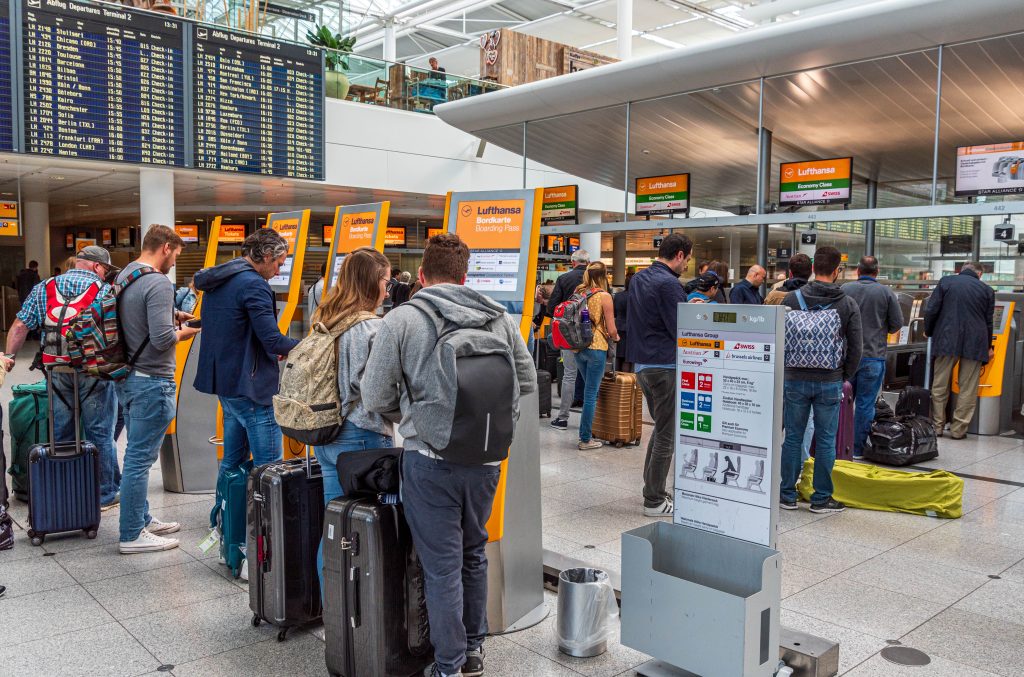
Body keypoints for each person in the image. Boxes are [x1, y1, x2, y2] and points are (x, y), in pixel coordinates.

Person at [362, 233, 534, 677]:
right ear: (465, 274)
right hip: (487, 460)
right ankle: (474, 650)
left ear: (422, 275)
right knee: (473, 552)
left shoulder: (403, 319)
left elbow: (376, 393)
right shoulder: (498, 318)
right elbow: (528, 380)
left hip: (429, 460)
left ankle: (449, 664)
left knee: (440, 567)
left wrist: (417, 416)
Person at [4, 246, 121, 510]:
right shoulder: (104, 290)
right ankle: (104, 494)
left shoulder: (45, 286)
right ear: (97, 267)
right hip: (93, 371)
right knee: (100, 431)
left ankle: (63, 488)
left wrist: (9, 356)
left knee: (61, 431)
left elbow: (21, 325)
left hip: (56, 370)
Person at [194, 228, 300, 504]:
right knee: (269, 468)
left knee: (231, 462)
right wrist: (309, 346)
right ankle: (268, 531)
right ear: (265, 256)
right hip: (252, 388)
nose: (278, 271)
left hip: (228, 386)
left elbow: (237, 330)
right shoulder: (253, 284)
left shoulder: (220, 280)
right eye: (278, 263)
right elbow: (272, 338)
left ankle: (225, 520)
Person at [312, 247, 394, 594]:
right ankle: (366, 623)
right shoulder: (371, 328)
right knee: (369, 531)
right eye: (386, 282)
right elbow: (376, 391)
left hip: (327, 436)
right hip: (362, 438)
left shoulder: (325, 319)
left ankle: (335, 615)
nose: (388, 291)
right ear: (372, 282)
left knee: (335, 527)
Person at [116, 225, 200, 554]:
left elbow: (135, 319)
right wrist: (190, 330)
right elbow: (163, 339)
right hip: (153, 381)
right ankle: (132, 534)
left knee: (137, 455)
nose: (174, 263)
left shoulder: (127, 275)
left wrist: (170, 313)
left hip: (131, 377)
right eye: (176, 255)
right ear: (166, 247)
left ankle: (142, 517)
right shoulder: (158, 282)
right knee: (139, 459)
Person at [779, 246, 862, 514]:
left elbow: (778, 340)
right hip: (829, 379)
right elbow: (856, 348)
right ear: (837, 271)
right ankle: (821, 498)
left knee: (792, 437)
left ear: (814, 269)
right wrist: (842, 375)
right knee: (826, 440)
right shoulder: (847, 303)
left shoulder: (790, 299)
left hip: (794, 378)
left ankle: (787, 495)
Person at [627, 234, 693, 517]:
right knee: (667, 433)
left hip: (642, 364)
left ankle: (651, 489)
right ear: (679, 255)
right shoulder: (669, 284)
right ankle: (654, 500)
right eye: (687, 259)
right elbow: (680, 328)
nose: (687, 265)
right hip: (665, 366)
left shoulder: (640, 278)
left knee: (660, 428)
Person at [925, 261, 995, 439]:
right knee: (968, 388)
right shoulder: (987, 290)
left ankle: (937, 426)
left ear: (960, 271)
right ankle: (958, 430)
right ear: (979, 274)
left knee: (940, 384)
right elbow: (988, 322)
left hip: (947, 339)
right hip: (975, 341)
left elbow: (931, 309)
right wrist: (988, 346)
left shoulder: (946, 282)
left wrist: (929, 331)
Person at [843, 256, 904, 458]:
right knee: (865, 404)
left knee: (839, 401)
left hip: (845, 356)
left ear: (858, 271)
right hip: (873, 356)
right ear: (876, 273)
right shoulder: (886, 292)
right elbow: (896, 324)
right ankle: (858, 450)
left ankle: (838, 445)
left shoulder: (845, 289)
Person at [573, 262, 619, 451]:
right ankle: (585, 439)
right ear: (605, 275)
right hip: (596, 347)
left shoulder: (578, 292)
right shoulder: (604, 296)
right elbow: (611, 328)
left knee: (590, 392)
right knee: (591, 394)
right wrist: (616, 337)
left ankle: (592, 429)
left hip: (578, 348)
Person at [547, 249, 590, 431]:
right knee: (591, 379)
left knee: (569, 375)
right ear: (588, 263)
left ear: (573, 262)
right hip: (591, 334)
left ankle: (563, 418)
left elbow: (552, 307)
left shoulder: (564, 279)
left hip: (569, 335)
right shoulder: (595, 280)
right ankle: (592, 423)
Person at [613, 273, 632, 373]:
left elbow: (614, 313)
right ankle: (626, 381)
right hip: (632, 329)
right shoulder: (636, 297)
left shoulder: (618, 296)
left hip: (619, 327)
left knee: (618, 355)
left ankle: (616, 379)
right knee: (627, 358)